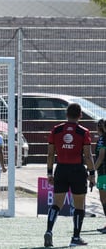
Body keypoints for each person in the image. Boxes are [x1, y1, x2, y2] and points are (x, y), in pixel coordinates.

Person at [43, 103, 96, 247]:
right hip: (77, 170)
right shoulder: (83, 131)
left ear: (66, 114)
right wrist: (92, 174)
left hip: (60, 169)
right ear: (80, 115)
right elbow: (88, 156)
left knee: (56, 204)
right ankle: (75, 238)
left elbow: (49, 154)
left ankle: (49, 230)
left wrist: (49, 173)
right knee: (79, 206)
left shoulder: (56, 130)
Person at [94, 119, 106, 233]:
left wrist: (92, 171)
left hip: (104, 173)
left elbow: (101, 157)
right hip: (102, 173)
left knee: (104, 199)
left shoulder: (103, 139)